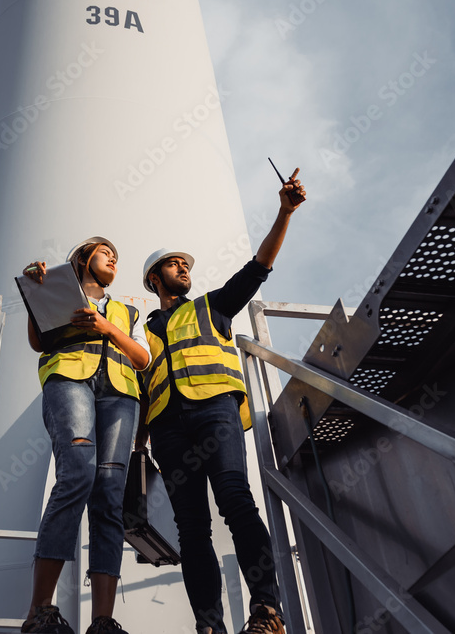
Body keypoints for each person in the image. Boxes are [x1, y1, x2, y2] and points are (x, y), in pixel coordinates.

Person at [136, 171, 306, 634]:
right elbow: (138, 388)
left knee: (235, 500)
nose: (183, 268)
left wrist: (284, 213)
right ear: (155, 279)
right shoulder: (144, 332)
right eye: (173, 264)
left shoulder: (213, 305)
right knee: (191, 528)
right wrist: (139, 444)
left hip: (215, 411)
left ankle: (267, 611)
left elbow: (258, 266)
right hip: (167, 428)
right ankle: (208, 626)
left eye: (185, 263)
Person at [20, 237, 151, 634]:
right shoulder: (56, 290)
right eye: (104, 252)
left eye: (116, 255)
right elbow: (39, 341)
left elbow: (142, 358)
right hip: (70, 380)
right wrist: (35, 293)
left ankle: (103, 622)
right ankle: (40, 609)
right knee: (77, 474)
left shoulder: (127, 312)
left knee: (110, 494)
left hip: (120, 395)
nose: (113, 257)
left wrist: (107, 327)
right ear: (81, 259)